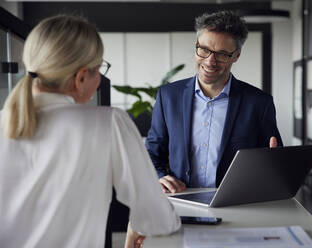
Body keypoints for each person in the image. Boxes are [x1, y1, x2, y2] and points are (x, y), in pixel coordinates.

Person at [0, 15, 180, 248]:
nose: (99, 80)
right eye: (99, 70)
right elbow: (159, 220)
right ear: (81, 76)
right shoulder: (108, 123)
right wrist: (140, 223)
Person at [146, 10, 283, 194]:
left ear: (236, 56)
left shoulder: (259, 103)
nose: (210, 62)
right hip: (181, 203)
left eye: (222, 54)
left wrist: (274, 164)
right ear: (197, 45)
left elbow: (275, 163)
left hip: (235, 205)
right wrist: (159, 176)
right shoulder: (168, 96)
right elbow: (152, 153)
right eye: (204, 49)